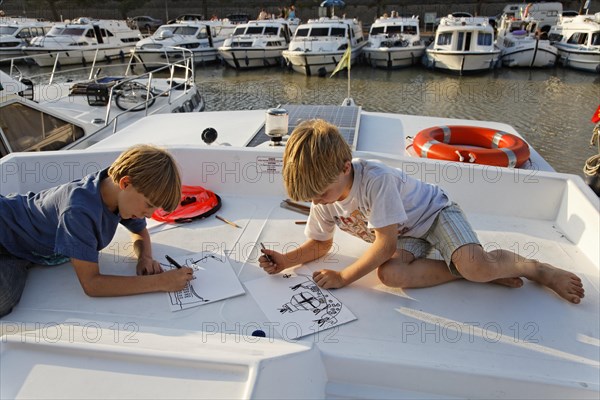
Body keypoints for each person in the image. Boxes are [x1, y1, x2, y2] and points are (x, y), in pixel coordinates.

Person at [259, 119, 585, 304]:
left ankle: (535, 269)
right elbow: (321, 244)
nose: (316, 203)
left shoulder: (377, 182)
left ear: (346, 168)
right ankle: (476, 272)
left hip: (434, 215)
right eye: (310, 198)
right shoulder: (324, 196)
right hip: (406, 233)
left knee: (475, 265)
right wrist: (287, 260)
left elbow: (384, 246)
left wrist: (344, 276)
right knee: (390, 275)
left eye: (320, 194)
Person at [0, 144, 194, 318]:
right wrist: (161, 282)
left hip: (24, 250)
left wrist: (145, 257)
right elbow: (92, 284)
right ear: (125, 183)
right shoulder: (78, 212)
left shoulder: (116, 194)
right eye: (149, 205)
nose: (150, 215)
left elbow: (140, 232)